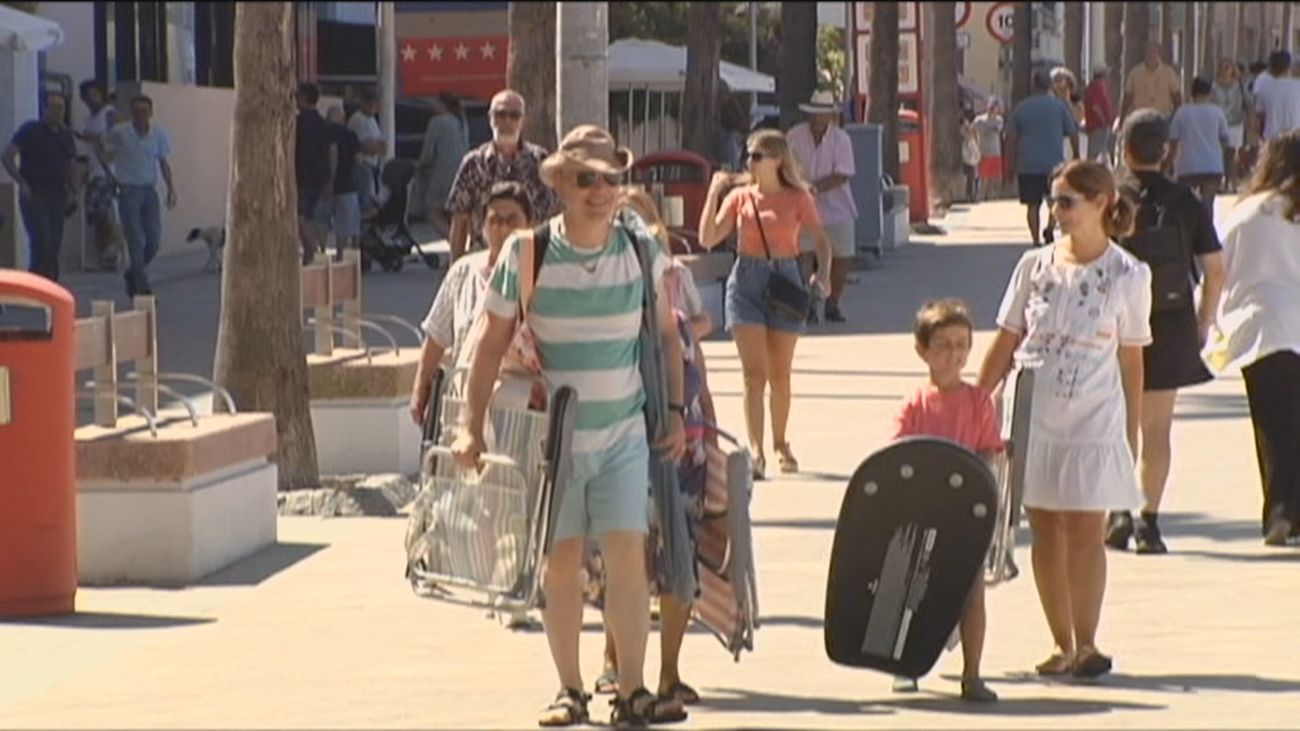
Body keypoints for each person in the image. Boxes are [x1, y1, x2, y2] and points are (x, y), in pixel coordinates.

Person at [452, 125, 688, 727]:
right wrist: (468, 426)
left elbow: (666, 335)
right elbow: (487, 345)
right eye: (586, 178)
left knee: (627, 560)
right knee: (561, 564)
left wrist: (679, 414)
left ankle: (631, 691)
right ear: (558, 183)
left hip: (624, 437)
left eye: (611, 178)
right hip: (553, 443)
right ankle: (570, 689)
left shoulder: (640, 250)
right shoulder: (527, 253)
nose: (601, 190)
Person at [979, 160, 1150, 679]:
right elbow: (1007, 340)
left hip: (1093, 416)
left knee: (1085, 527)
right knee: (1046, 529)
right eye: (1053, 201)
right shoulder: (1034, 266)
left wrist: (1132, 430)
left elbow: (1133, 359)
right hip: (1033, 412)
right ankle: (1060, 642)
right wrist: (974, 400)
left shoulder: (1128, 274)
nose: (1057, 212)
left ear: (1101, 203)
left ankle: (1088, 643)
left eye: (1066, 201)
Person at [590, 187, 715, 708]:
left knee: (677, 555)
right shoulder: (602, 307)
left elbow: (693, 366)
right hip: (621, 445)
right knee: (626, 562)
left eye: (641, 222)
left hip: (680, 448)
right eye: (623, 222)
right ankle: (616, 663)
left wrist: (704, 428)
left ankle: (669, 671)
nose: (634, 233)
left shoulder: (672, 293)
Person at [1103, 110, 1226, 554]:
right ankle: (1148, 523)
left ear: (1125, 148)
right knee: (1157, 430)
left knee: (1119, 425)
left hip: (1114, 327)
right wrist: (1203, 322)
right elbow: (1214, 269)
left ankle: (1116, 512)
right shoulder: (1186, 202)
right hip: (1170, 322)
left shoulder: (1109, 197)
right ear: (1168, 150)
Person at [698, 130, 833, 478]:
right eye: (748, 156)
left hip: (785, 279)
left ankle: (780, 442)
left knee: (780, 374)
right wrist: (715, 193)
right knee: (753, 375)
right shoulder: (741, 198)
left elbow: (820, 241)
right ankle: (755, 449)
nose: (750, 162)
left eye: (757, 156)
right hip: (745, 281)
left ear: (778, 160)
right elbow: (707, 238)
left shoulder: (798, 198)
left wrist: (824, 275)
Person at [887, 298, 1002, 703]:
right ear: (923, 351)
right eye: (943, 345)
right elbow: (898, 457)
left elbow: (988, 450)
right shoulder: (914, 404)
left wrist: (981, 484)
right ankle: (904, 665)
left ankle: (972, 674)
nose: (953, 354)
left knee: (971, 594)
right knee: (909, 592)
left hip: (964, 515)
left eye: (961, 344)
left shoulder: (977, 402)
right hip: (921, 511)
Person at [1212, 130, 1300, 545]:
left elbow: (1218, 269)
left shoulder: (1244, 212)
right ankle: (1290, 510)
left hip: (1258, 329)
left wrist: (1207, 320)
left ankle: (1280, 509)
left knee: (1271, 422)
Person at [445, 89, 559, 261]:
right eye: (500, 114)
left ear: (523, 120)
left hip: (530, 259)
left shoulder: (540, 161)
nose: (507, 121)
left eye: (514, 115)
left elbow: (554, 215)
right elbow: (460, 221)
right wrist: (455, 268)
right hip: (485, 260)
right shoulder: (473, 163)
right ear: (490, 117)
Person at [788, 90, 857, 324]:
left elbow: (843, 174)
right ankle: (807, 304)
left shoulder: (841, 140)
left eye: (822, 115)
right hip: (804, 207)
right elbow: (786, 166)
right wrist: (798, 186)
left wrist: (814, 187)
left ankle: (832, 302)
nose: (818, 119)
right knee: (804, 254)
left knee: (843, 256)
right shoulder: (794, 137)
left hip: (837, 207)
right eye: (814, 114)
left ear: (830, 116)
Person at [97, 95, 177, 297]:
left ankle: (133, 273)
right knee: (135, 239)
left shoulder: (158, 134)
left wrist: (170, 187)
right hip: (128, 190)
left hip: (148, 190)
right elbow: (101, 147)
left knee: (153, 239)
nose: (141, 115)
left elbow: (163, 162)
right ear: (131, 113)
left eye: (144, 111)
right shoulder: (121, 133)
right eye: (137, 111)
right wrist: (110, 174)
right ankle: (142, 287)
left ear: (151, 112)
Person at [1, 92, 76, 281]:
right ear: (43, 108)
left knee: (54, 244)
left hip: (58, 193)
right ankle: (37, 284)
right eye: (52, 107)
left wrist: (72, 190)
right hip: (35, 192)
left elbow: (71, 163)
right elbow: (8, 156)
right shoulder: (30, 130)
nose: (57, 112)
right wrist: (22, 182)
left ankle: (49, 285)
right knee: (41, 240)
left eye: (61, 107)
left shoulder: (66, 134)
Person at [1005, 69, 1080, 246]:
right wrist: (1076, 154)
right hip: (1053, 164)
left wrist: (1011, 164)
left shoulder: (1022, 108)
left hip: (1028, 164)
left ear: (1033, 85)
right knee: (1055, 200)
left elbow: (1011, 139)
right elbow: (1073, 132)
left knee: (1033, 205)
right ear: (1049, 86)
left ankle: (1035, 239)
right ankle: (1049, 228)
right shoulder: (1059, 106)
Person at [76, 79, 121, 270]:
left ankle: (111, 252)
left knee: (104, 212)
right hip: (93, 172)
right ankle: (104, 253)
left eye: (94, 94)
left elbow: (116, 138)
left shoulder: (109, 114)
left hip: (109, 171)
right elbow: (85, 149)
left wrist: (91, 138)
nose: (91, 99)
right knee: (94, 215)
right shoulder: (88, 119)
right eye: (87, 96)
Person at [1168, 78, 1231, 212]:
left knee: (1185, 206)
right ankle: (1206, 229)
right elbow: (1225, 138)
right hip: (1212, 166)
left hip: (1187, 166)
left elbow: (1173, 141)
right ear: (1210, 93)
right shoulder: (1217, 112)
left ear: (1192, 93)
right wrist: (1219, 155)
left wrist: (1168, 163)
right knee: (1208, 205)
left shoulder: (1182, 112)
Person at [417, 92, 469, 240]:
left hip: (441, 174)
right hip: (460, 172)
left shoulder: (437, 122)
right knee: (454, 214)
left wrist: (421, 166)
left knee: (432, 212)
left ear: (442, 104)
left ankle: (453, 240)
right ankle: (457, 244)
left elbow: (428, 152)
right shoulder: (462, 122)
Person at [294, 82, 337, 264]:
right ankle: (311, 250)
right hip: (318, 178)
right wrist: (330, 179)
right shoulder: (322, 124)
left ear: (303, 98)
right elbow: (332, 151)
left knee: (300, 216)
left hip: (301, 177)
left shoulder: (297, 122)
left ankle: (311, 250)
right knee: (308, 215)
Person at [325, 105, 362, 261]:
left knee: (321, 220)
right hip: (347, 184)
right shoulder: (350, 135)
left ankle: (320, 251)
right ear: (343, 118)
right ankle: (343, 253)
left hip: (323, 184)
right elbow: (358, 160)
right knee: (347, 222)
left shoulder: (325, 134)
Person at [1211, 58, 1251, 190]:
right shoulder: (1213, 85)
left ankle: (1231, 183)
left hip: (1235, 123)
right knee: (1219, 154)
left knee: (1233, 154)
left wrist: (1250, 121)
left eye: (1229, 66)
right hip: (1217, 124)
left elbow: (1248, 102)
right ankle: (1219, 183)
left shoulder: (1240, 84)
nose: (1226, 69)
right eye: (1223, 66)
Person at [347, 88, 387, 217]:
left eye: (375, 103)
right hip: (362, 166)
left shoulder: (372, 120)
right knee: (365, 205)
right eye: (370, 103)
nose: (373, 107)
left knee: (372, 202)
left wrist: (375, 146)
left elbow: (383, 147)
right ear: (363, 103)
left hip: (373, 165)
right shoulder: (358, 120)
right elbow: (364, 147)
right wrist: (373, 147)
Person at [1121, 41, 1183, 120]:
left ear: (1160, 55)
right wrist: (1122, 120)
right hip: (1140, 118)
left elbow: (1177, 98)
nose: (1150, 56)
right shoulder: (1135, 73)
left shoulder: (1169, 73)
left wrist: (1176, 118)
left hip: (1163, 118)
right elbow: (1127, 99)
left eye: (1154, 53)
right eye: (1148, 53)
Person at [1252, 50, 1300, 145]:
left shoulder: (1264, 88)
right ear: (1289, 67)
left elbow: (1259, 117)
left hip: (1272, 139)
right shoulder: (1298, 86)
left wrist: (1257, 138)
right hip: (1296, 137)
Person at [973, 100, 1004, 201]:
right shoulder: (979, 120)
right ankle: (981, 198)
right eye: (992, 107)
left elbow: (998, 129)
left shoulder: (999, 120)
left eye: (996, 108)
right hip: (984, 152)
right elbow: (972, 128)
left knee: (996, 178)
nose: (993, 110)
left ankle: (994, 197)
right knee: (984, 178)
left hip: (995, 152)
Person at [1084, 66, 1116, 163]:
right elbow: (1096, 107)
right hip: (1098, 126)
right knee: (1096, 153)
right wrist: (1104, 121)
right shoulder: (1098, 86)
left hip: (1097, 125)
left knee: (1101, 152)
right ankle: (1090, 172)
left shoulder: (1096, 86)